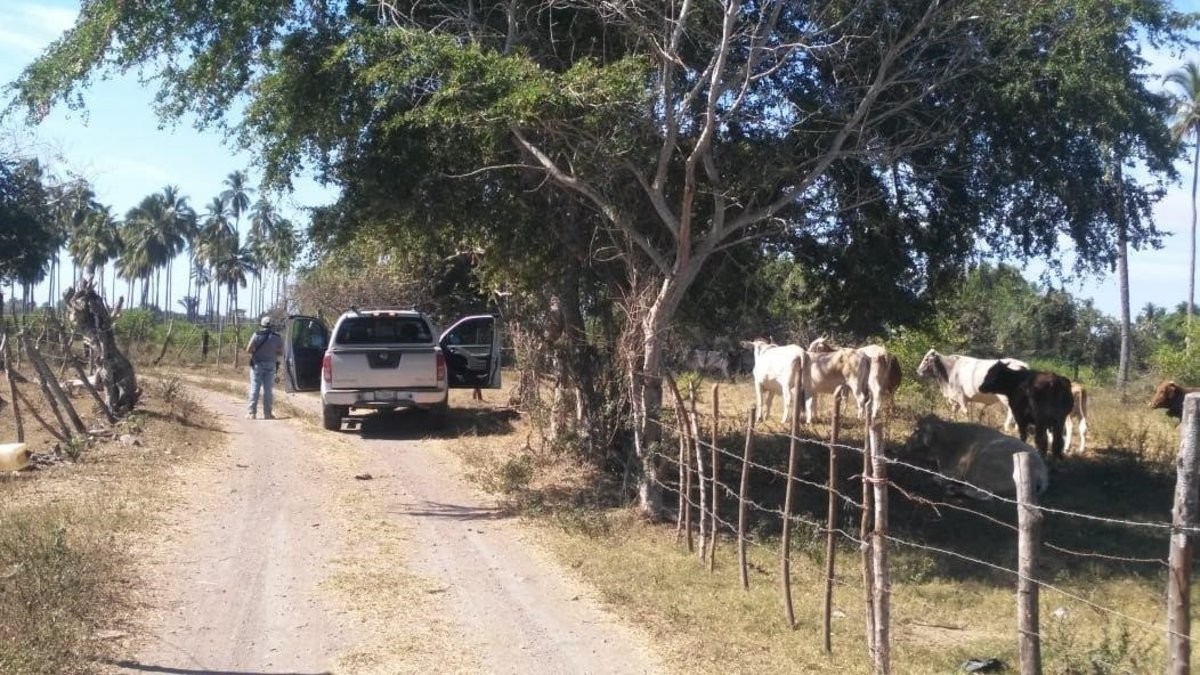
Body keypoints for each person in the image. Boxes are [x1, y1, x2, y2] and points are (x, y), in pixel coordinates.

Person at [245, 316, 284, 419]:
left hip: (257, 365)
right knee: (268, 390)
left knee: (255, 388)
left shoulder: (256, 335)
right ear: (272, 325)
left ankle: (251, 413)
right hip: (271, 365)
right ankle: (268, 414)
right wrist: (271, 351)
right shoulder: (277, 337)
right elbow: (280, 352)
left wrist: (256, 351)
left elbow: (248, 349)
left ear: (261, 325)